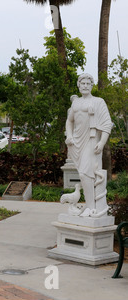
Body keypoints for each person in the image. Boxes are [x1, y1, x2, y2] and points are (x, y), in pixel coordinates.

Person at [65, 73, 113, 217]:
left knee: (85, 173)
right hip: (77, 141)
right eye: (83, 83)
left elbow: (106, 124)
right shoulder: (76, 103)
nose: (85, 86)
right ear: (78, 85)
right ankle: (89, 205)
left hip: (91, 140)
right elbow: (69, 121)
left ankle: (91, 207)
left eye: (88, 83)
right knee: (84, 173)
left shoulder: (98, 102)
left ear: (92, 86)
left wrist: (102, 142)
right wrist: (70, 135)